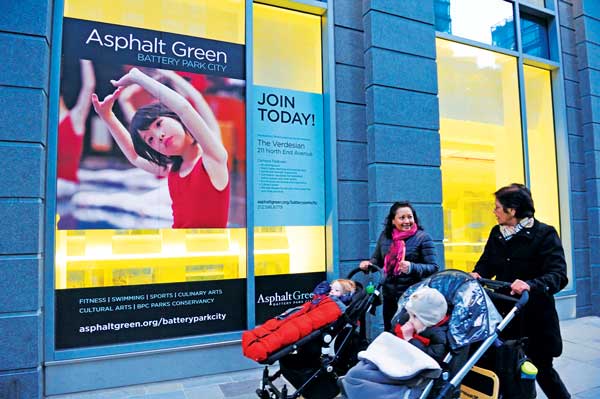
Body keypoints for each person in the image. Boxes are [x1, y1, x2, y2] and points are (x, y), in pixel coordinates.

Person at [91, 67, 230, 228]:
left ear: (176, 117)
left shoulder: (214, 158)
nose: (159, 136)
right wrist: (107, 116)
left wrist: (140, 77)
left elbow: (185, 108)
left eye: (159, 124)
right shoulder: (172, 169)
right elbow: (134, 156)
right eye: (150, 139)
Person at [470, 183, 570, 399]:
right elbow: (487, 263)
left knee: (542, 370)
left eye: (497, 207)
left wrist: (530, 285)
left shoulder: (544, 234)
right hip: (507, 317)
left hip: (536, 319)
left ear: (512, 210)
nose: (494, 212)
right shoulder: (497, 233)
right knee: (508, 372)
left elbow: (559, 275)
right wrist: (477, 273)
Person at [359, 201, 439, 331]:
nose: (407, 221)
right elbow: (378, 259)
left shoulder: (423, 238)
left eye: (410, 217)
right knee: (390, 330)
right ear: (393, 221)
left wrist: (411, 267)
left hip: (413, 298)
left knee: (407, 333)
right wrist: (369, 264)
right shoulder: (385, 237)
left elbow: (433, 267)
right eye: (402, 218)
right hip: (390, 295)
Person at [57, 59, 95, 187]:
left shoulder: (75, 118)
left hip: (66, 186)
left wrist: (85, 58)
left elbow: (89, 86)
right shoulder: (45, 126)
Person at [392, 286, 449, 363]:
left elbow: (432, 357)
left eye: (414, 316)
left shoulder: (438, 334)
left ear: (428, 319)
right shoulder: (407, 318)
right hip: (398, 356)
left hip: (416, 365)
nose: (410, 320)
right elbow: (393, 332)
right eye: (409, 314)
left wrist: (409, 339)